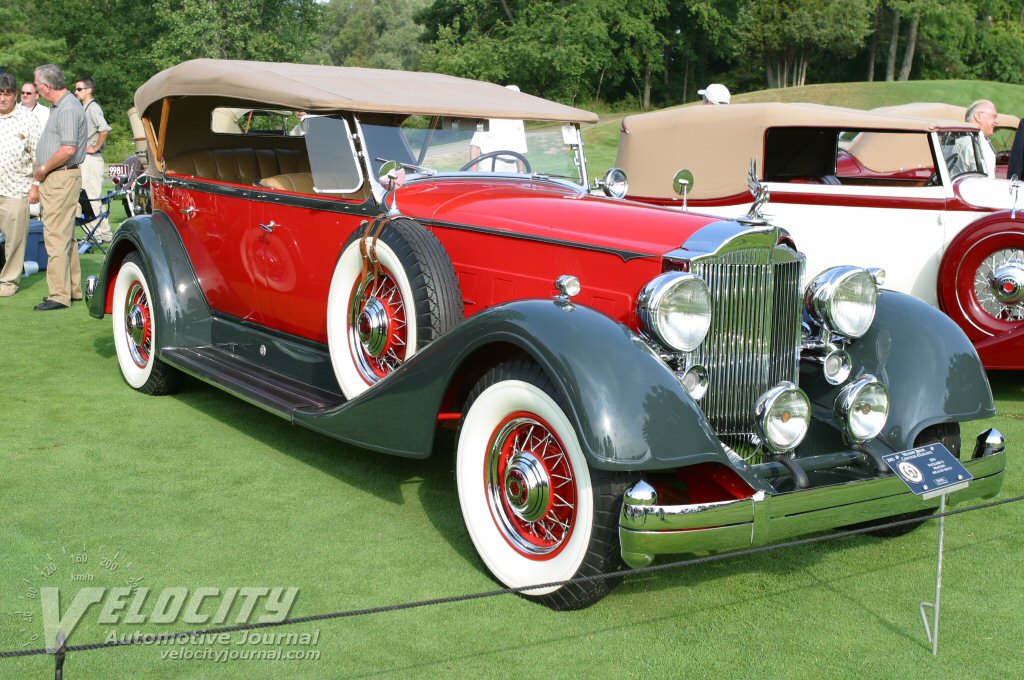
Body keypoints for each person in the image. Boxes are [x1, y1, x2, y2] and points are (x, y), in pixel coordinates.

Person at [31, 64, 87, 311]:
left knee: (54, 235)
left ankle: (58, 295)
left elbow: (68, 149)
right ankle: (72, 290)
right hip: (62, 177)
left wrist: (43, 170)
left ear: (46, 86)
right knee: (67, 237)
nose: (35, 87)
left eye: (36, 84)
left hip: (60, 177)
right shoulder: (64, 106)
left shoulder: (67, 108)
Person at [0, 74, 42, 298]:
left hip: (16, 188)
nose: (3, 98)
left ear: (15, 95)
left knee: (15, 240)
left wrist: (36, 185)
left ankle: (8, 282)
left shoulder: (27, 119)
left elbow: (38, 156)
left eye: (7, 94)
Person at [75, 77, 113, 242]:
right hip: (87, 159)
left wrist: (95, 147)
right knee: (91, 197)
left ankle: (96, 234)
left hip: (91, 159)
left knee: (91, 197)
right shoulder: (86, 107)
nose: (76, 92)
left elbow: (104, 129)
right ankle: (103, 233)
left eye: (79, 89)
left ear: (88, 90)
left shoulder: (93, 108)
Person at [468, 85, 528, 172]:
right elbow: (475, 146)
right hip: (489, 165)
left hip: (512, 167)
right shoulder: (486, 116)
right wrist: (474, 173)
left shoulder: (519, 119)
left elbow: (521, 148)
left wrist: (521, 172)